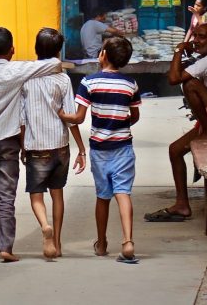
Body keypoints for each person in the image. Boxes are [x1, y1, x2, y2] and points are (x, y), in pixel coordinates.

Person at [0, 26, 62, 262]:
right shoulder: (18, 71)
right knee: (6, 195)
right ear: (12, 50)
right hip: (9, 142)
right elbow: (55, 64)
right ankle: (6, 247)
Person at [144, 23, 207, 222]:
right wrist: (182, 57)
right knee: (175, 150)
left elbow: (174, 78)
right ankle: (182, 204)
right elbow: (175, 71)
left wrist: (179, 49)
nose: (196, 41)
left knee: (190, 84)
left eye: (201, 37)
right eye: (195, 37)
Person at [60, 36, 141, 264]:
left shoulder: (89, 82)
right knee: (123, 193)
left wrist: (61, 114)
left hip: (99, 150)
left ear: (102, 55)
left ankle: (102, 242)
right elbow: (134, 115)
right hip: (124, 147)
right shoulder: (130, 84)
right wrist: (120, 125)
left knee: (102, 197)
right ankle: (127, 242)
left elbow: (78, 117)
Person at [20, 28, 87, 260]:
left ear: (36, 49)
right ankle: (57, 243)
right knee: (57, 194)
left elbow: (22, 119)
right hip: (60, 146)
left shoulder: (26, 80)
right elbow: (70, 117)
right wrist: (81, 148)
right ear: (58, 51)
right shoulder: (63, 79)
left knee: (36, 195)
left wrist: (22, 146)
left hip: (36, 145)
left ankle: (44, 226)